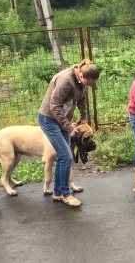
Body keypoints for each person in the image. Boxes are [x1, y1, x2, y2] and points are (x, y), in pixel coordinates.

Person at [38, 58, 100, 207]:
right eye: (89, 82)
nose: (90, 86)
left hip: (62, 119)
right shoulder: (66, 80)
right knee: (66, 156)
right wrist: (70, 127)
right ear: (81, 76)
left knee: (62, 157)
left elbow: (82, 99)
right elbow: (54, 106)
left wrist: (83, 117)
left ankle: (58, 193)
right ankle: (66, 194)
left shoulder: (82, 81)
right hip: (49, 120)